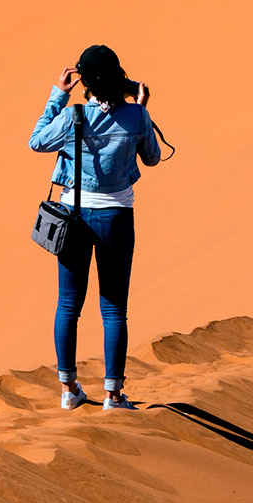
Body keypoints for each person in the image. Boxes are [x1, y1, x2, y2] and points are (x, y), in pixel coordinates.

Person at [28, 45, 163, 410]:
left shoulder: (74, 115)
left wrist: (58, 94)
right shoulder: (135, 116)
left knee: (68, 304)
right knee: (114, 309)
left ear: (84, 82)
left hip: (73, 218)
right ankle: (112, 395)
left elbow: (36, 141)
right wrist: (142, 112)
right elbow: (152, 158)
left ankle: (69, 391)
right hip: (116, 217)